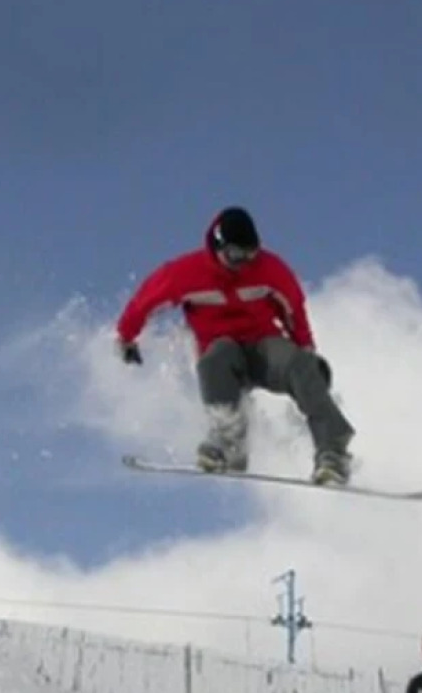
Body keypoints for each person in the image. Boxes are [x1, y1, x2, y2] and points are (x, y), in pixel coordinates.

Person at [114, 206, 357, 486]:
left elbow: (294, 310)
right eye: (235, 255)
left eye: (250, 254)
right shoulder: (185, 273)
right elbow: (146, 300)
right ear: (218, 247)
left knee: (296, 362)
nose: (243, 262)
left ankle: (333, 454)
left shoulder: (270, 269)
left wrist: (307, 353)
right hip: (224, 354)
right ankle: (229, 444)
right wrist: (126, 338)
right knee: (214, 359)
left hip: (262, 346)